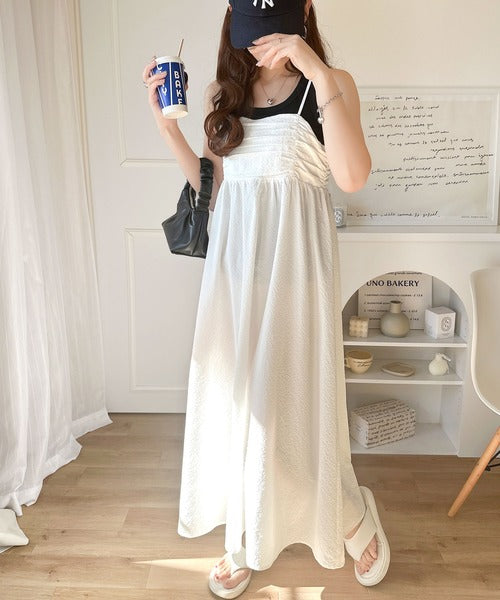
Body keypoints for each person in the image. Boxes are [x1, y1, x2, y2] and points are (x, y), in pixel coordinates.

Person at [143, 1, 390, 597]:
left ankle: (349, 511)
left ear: (304, 12)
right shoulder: (222, 93)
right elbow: (213, 191)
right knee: (242, 411)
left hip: (298, 278)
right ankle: (246, 531)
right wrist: (168, 130)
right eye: (252, 32)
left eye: (275, 31)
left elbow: (353, 177)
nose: (261, 46)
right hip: (234, 279)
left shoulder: (329, 85)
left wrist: (316, 69)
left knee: (295, 407)